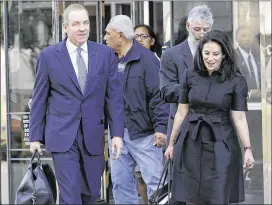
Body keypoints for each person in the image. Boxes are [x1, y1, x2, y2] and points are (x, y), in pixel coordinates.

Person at [29, 4, 124, 204]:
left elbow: (114, 98)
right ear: (65, 27)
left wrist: (116, 134)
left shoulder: (105, 54)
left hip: (93, 135)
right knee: (70, 195)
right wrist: (35, 137)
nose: (82, 28)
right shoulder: (48, 56)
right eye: (76, 24)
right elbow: (39, 99)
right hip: (62, 136)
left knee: (90, 194)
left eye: (85, 23)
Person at [164, 30, 255, 204]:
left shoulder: (236, 80)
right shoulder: (189, 75)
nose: (210, 58)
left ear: (224, 55)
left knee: (218, 194)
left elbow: (239, 118)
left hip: (222, 143)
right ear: (200, 53)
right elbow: (181, 112)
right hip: (191, 141)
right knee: (191, 195)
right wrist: (171, 144)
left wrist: (247, 149)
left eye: (215, 54)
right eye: (206, 53)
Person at [104, 15, 169, 204]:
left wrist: (160, 128)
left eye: (109, 34)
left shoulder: (148, 60)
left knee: (156, 183)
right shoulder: (110, 60)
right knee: (120, 184)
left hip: (145, 135)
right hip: (118, 134)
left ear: (120, 36)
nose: (105, 38)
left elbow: (159, 97)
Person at [160, 5, 213, 146]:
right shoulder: (171, 55)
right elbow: (166, 91)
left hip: (213, 128)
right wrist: (194, 88)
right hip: (183, 127)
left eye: (206, 30)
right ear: (188, 26)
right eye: (197, 29)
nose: (202, 34)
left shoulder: (218, 53)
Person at [134, 23, 163, 204]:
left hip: (152, 129)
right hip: (134, 128)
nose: (139, 40)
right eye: (136, 36)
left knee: (154, 175)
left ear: (152, 41)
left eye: (143, 37)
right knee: (138, 175)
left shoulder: (157, 61)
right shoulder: (127, 61)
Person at [235, 25, 261, 101]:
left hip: (260, 106)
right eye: (243, 36)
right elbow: (229, 86)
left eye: (249, 36)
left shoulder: (258, 57)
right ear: (237, 39)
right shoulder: (232, 58)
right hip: (242, 106)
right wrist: (248, 94)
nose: (247, 39)